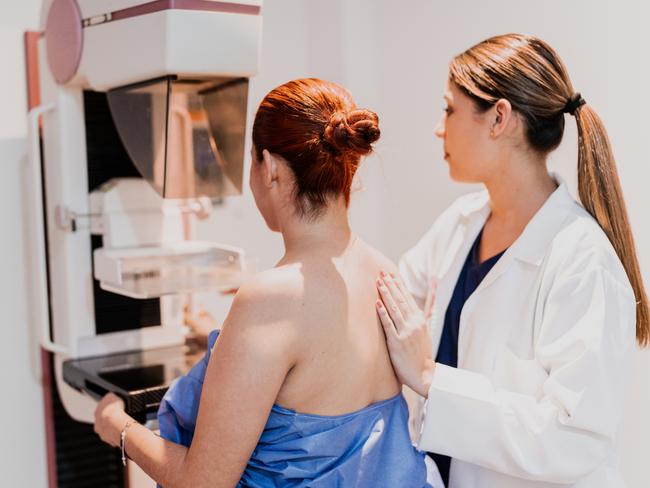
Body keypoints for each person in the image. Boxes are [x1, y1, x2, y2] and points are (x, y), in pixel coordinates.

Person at [94, 78, 441, 487]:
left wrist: (117, 426)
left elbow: (203, 483)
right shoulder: (384, 272)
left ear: (271, 167)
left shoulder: (269, 299)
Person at [376, 33, 649, 488]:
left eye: (449, 109)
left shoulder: (583, 260)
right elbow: (386, 302)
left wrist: (429, 377)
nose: (438, 128)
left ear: (499, 117)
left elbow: (574, 438)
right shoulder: (461, 223)